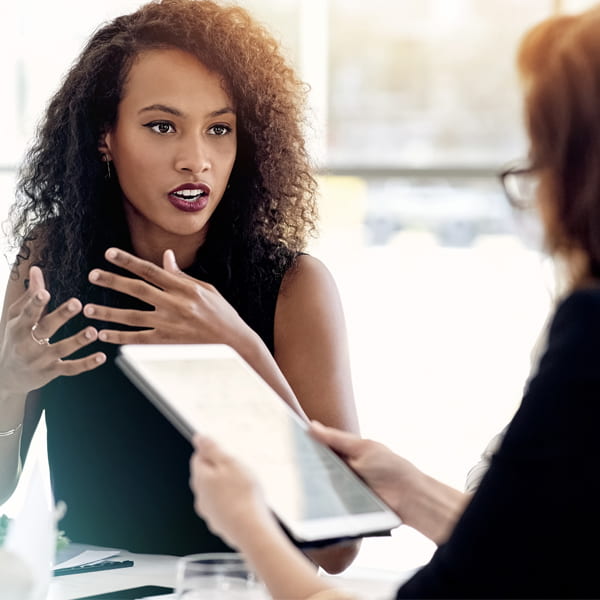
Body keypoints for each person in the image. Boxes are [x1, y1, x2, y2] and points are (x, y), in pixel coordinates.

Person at [190, 7, 600, 598]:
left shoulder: (592, 335)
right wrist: (409, 490)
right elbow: (534, 555)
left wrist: (249, 527)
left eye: (543, 158)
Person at [0, 0, 360, 571]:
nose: (197, 160)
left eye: (220, 129)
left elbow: (338, 547)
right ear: (104, 137)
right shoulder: (50, 258)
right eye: (162, 126)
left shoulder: (296, 287)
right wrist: (7, 384)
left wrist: (239, 350)